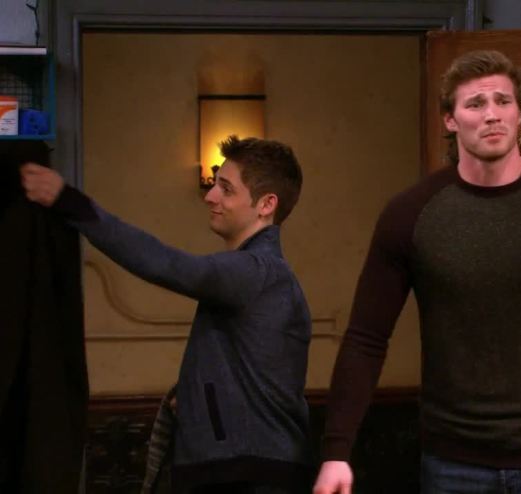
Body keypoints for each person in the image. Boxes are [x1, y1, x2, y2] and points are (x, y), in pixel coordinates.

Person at [313, 50, 521, 494]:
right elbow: (366, 339)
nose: (492, 114)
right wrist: (336, 451)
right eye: (475, 104)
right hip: (454, 460)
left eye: (502, 101)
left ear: (518, 113)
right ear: (450, 120)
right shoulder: (411, 214)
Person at [21, 136, 313, 494]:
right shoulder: (258, 275)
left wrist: (69, 202)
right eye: (215, 184)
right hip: (241, 469)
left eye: (226, 188)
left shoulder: (259, 271)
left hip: (247, 475)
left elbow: (167, 264)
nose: (210, 196)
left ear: (266, 204)